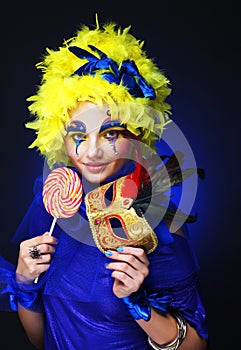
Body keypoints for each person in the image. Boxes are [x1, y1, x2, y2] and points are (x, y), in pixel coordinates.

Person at [0, 16, 208, 350]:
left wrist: (138, 303)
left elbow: (196, 346)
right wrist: (25, 283)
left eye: (111, 133)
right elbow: (43, 340)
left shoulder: (159, 222)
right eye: (78, 133)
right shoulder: (50, 205)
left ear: (136, 136)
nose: (93, 151)